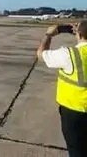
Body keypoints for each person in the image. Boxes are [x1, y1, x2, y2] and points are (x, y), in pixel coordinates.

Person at [37, 20, 87, 157]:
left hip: (74, 115)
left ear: (78, 34)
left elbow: (41, 54)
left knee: (77, 150)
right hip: (75, 114)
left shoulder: (69, 54)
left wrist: (49, 34)